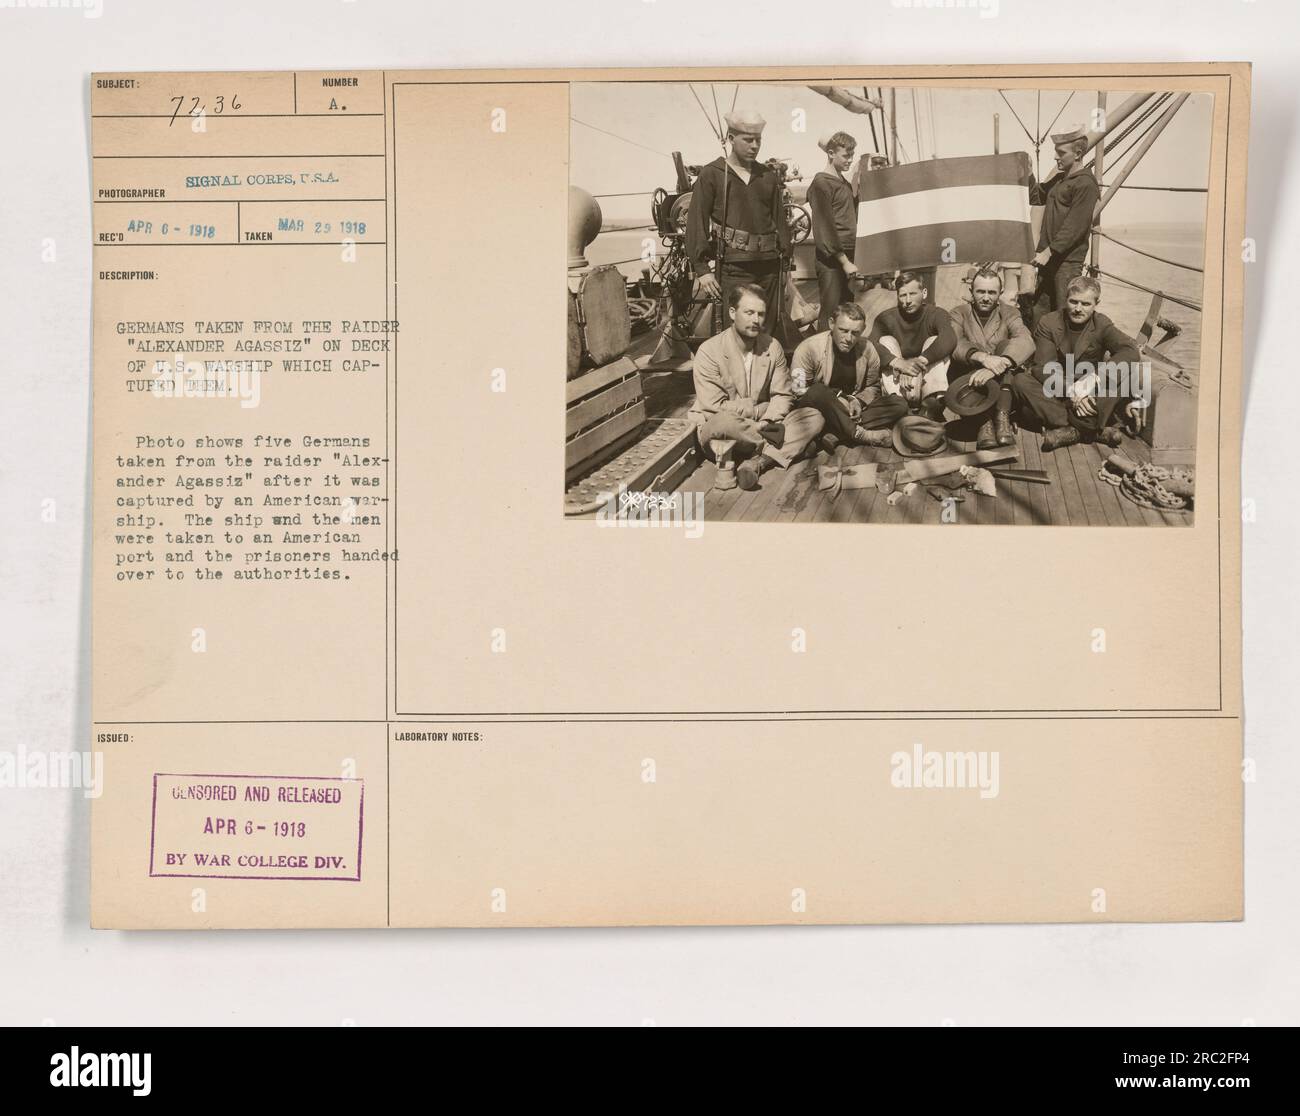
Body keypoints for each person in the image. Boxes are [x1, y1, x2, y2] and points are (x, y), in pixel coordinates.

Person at [689, 284, 824, 490]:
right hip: (726, 432)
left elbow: (782, 395)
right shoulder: (709, 351)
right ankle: (777, 449)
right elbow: (713, 407)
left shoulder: (772, 346)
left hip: (765, 423)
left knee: (813, 416)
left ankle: (758, 461)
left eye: (761, 314)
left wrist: (769, 418)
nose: (756, 320)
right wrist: (758, 411)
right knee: (723, 423)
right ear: (732, 313)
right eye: (749, 312)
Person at [1010, 275, 1154, 450]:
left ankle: (1072, 431)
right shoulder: (1048, 322)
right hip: (1059, 391)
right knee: (1021, 381)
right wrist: (1071, 392)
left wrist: (1095, 378)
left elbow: (1130, 350)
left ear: (1096, 304)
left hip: (1090, 394)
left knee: (1126, 372)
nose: (1078, 309)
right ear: (1066, 300)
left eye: (1086, 304)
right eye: (1074, 302)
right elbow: (1043, 368)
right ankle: (1091, 430)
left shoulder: (1102, 323)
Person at [685, 109, 791, 337]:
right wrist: (702, 270)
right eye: (748, 140)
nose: (754, 146)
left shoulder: (767, 176)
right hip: (735, 268)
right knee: (735, 334)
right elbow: (696, 223)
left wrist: (784, 266)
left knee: (767, 331)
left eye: (758, 140)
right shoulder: (712, 174)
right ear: (731, 139)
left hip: (770, 267)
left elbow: (781, 224)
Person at [789, 302, 908, 448]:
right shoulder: (807, 348)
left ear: (863, 329)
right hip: (817, 409)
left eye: (855, 333)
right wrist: (839, 399)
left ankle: (835, 434)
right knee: (818, 390)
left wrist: (857, 400)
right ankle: (859, 434)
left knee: (899, 404)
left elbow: (873, 386)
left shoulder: (868, 349)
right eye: (843, 330)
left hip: (851, 409)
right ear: (831, 324)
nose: (848, 338)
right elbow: (798, 391)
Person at [950, 266, 1035, 448]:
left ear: (1000, 293)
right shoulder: (959, 313)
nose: (986, 298)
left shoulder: (1010, 312)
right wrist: (981, 357)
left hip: (1000, 381)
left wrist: (1000, 363)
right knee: (973, 349)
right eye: (980, 291)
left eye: (992, 292)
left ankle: (1001, 416)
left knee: (1006, 347)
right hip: (970, 382)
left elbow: (1025, 339)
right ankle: (984, 423)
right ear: (971, 291)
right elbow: (954, 343)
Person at [1030, 125, 1100, 323]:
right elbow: (1037, 196)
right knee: (1041, 313)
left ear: (1078, 154)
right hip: (1048, 258)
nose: (1055, 157)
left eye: (1061, 152)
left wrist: (1048, 252)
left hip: (1066, 262)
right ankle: (1043, 353)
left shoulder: (1085, 184)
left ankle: (1068, 357)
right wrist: (1027, 174)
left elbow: (1075, 226)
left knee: (1067, 315)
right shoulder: (1061, 179)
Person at [867, 271, 957, 421]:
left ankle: (930, 407)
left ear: (924, 293)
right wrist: (899, 363)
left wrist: (918, 363)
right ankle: (898, 406)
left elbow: (950, 338)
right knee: (885, 341)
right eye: (902, 295)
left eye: (913, 294)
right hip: (898, 384)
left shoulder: (937, 314)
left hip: (926, 382)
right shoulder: (886, 318)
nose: (907, 301)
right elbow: (870, 344)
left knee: (934, 340)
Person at [807, 131, 860, 330]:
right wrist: (844, 262)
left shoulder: (843, 183)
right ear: (831, 153)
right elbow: (824, 228)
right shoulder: (822, 183)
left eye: (852, 154)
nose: (850, 159)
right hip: (832, 260)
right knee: (831, 314)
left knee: (846, 313)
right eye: (846, 155)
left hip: (849, 255)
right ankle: (821, 358)